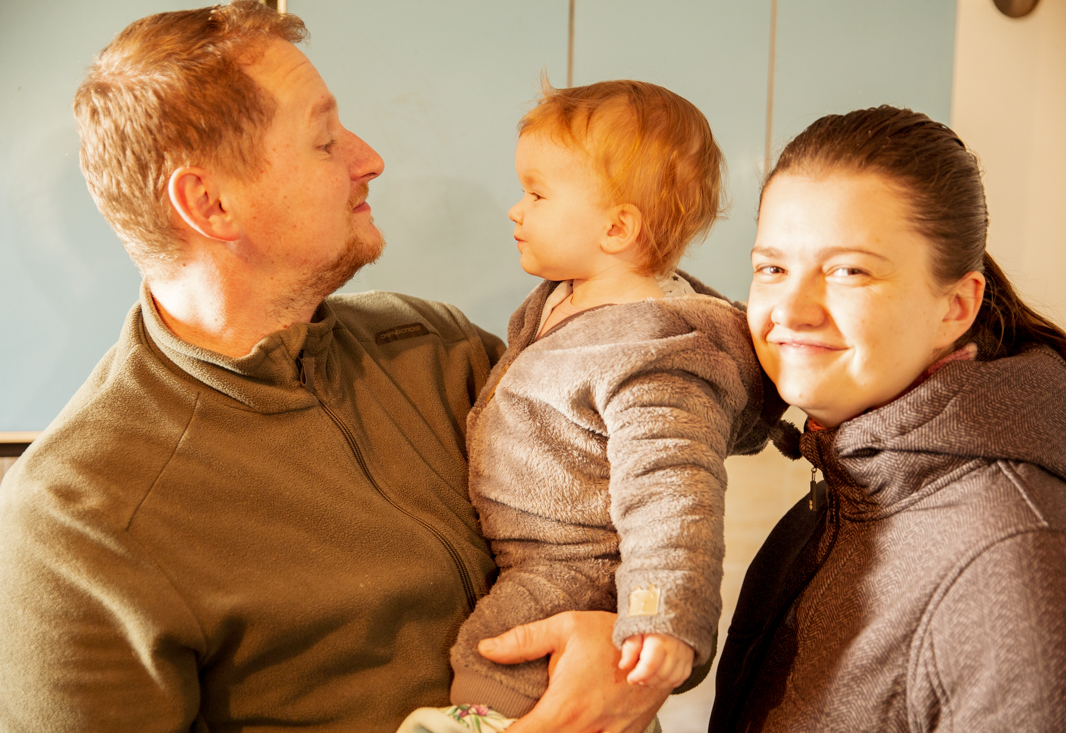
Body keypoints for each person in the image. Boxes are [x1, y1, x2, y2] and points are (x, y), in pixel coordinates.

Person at [0, 3, 671, 731]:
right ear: (209, 203)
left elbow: (654, 500)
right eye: (324, 141)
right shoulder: (76, 522)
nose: (369, 157)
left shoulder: (437, 347)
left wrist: (631, 648)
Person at [399, 81, 789, 733]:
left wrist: (659, 615)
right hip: (528, 552)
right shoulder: (564, 298)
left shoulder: (653, 351)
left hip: (576, 569)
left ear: (616, 228)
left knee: (501, 662)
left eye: (537, 194)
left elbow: (673, 492)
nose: (515, 210)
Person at [709, 106, 1066, 732]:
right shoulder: (851, 482)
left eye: (848, 270)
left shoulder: (1016, 557)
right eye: (772, 269)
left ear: (956, 307)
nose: (792, 310)